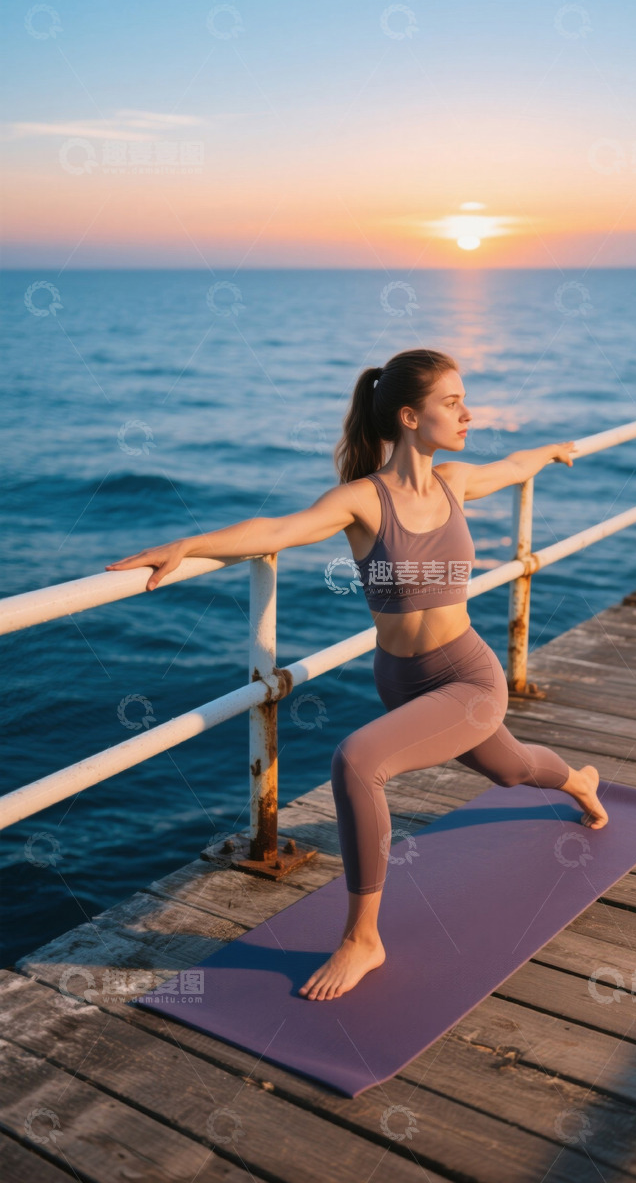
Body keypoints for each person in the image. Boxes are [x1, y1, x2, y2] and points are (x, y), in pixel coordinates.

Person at [106, 347, 608, 1003]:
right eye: (452, 403)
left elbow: (513, 467)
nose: (468, 413)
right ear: (408, 416)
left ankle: (363, 938)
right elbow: (277, 529)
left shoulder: (455, 482)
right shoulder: (363, 501)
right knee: (510, 771)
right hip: (400, 676)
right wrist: (187, 545)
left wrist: (547, 452)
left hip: (468, 675)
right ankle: (579, 781)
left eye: (464, 401)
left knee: (356, 761)